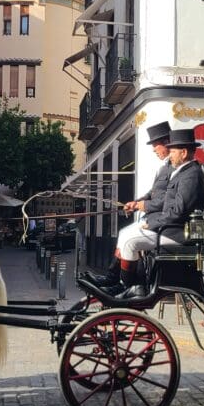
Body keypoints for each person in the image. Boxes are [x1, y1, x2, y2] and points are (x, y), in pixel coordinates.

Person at [112, 128, 204, 299]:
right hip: (173, 230)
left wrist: (154, 223)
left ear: (184, 152)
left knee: (129, 242)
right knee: (126, 236)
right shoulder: (185, 172)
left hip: (177, 234)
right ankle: (129, 285)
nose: (169, 155)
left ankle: (129, 287)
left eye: (172, 151)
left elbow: (178, 211)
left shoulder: (191, 175)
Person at [84, 121, 172, 287]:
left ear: (166, 142)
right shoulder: (164, 167)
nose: (154, 149)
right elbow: (153, 193)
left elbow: (168, 199)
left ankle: (127, 285)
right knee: (124, 233)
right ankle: (113, 277)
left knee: (128, 239)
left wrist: (142, 206)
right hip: (155, 218)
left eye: (155, 145)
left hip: (161, 223)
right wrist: (136, 202)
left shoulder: (174, 168)